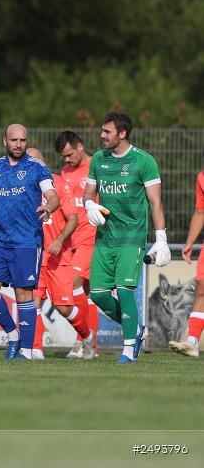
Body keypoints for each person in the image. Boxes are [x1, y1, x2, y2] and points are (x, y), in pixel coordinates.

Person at [82, 112, 169, 363]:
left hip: (132, 238)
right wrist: (89, 205)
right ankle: (137, 329)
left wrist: (161, 239)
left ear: (122, 133)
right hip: (104, 239)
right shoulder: (99, 159)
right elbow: (89, 192)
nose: (102, 135)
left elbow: (155, 202)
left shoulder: (144, 161)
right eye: (102, 130)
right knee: (98, 295)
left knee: (124, 291)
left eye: (107, 131)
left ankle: (128, 350)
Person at [0, 124, 59, 361]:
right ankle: (13, 336)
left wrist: (49, 207)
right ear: (5, 141)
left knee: (23, 294)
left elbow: (53, 196)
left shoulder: (37, 167)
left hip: (27, 241)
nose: (19, 144)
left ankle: (27, 351)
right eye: (14, 140)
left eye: (23, 140)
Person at [25, 148, 93, 360]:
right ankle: (36, 349)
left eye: (34, 163)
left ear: (43, 165)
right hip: (34, 255)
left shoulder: (59, 184)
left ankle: (86, 336)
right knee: (32, 302)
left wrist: (59, 239)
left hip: (58, 256)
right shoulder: (21, 187)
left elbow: (73, 219)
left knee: (64, 308)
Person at [55, 130, 102, 358]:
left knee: (72, 284)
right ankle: (91, 345)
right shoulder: (65, 172)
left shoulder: (97, 166)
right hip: (71, 240)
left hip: (91, 237)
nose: (67, 159)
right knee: (87, 293)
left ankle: (82, 340)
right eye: (64, 156)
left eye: (70, 154)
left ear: (80, 147)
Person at [170, 159, 204, 358]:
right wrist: (189, 242)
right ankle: (192, 342)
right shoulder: (202, 177)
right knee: (202, 288)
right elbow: (200, 212)